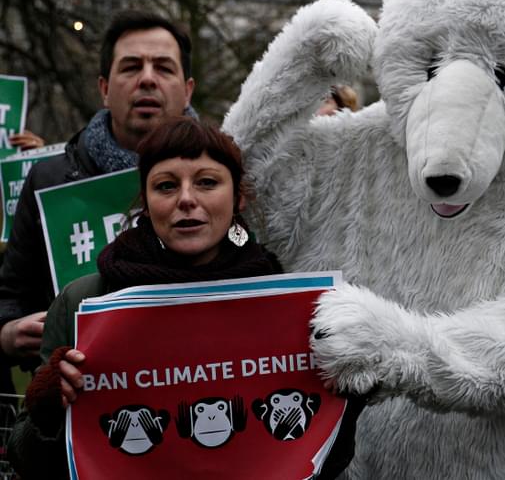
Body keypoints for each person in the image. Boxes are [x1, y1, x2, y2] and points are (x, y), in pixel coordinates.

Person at [7, 117, 358, 479]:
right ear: (146, 200)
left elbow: (324, 462)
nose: (187, 199)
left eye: (207, 182)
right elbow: (27, 460)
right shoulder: (84, 301)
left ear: (238, 197)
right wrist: (47, 413)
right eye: (166, 185)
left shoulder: (288, 305)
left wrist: (347, 399)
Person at [0, 11, 196, 369]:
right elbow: (11, 296)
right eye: (131, 67)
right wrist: (9, 333)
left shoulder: (227, 180)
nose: (147, 79)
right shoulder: (49, 180)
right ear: (105, 89)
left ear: (187, 90)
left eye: (164, 68)